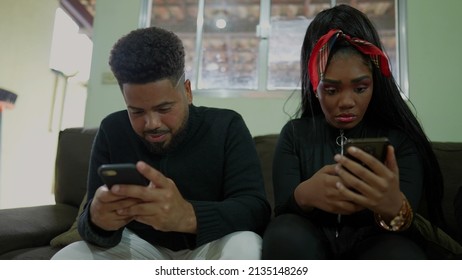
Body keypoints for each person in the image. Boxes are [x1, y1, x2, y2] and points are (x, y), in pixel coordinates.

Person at [52, 26, 270, 260]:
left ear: (187, 91)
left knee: (246, 246)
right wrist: (96, 221)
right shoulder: (111, 130)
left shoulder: (227, 125)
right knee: (69, 258)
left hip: (209, 246)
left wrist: (188, 216)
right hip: (138, 247)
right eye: (136, 111)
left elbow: (255, 209)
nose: (152, 124)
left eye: (164, 108)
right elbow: (92, 224)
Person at [262, 4, 446, 259]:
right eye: (331, 90)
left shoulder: (401, 139)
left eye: (360, 88)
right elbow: (282, 210)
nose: (346, 102)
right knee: (283, 233)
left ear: (374, 83)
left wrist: (394, 207)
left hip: (377, 242)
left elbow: (406, 224)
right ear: (314, 86)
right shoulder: (295, 135)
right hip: (309, 239)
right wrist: (303, 195)